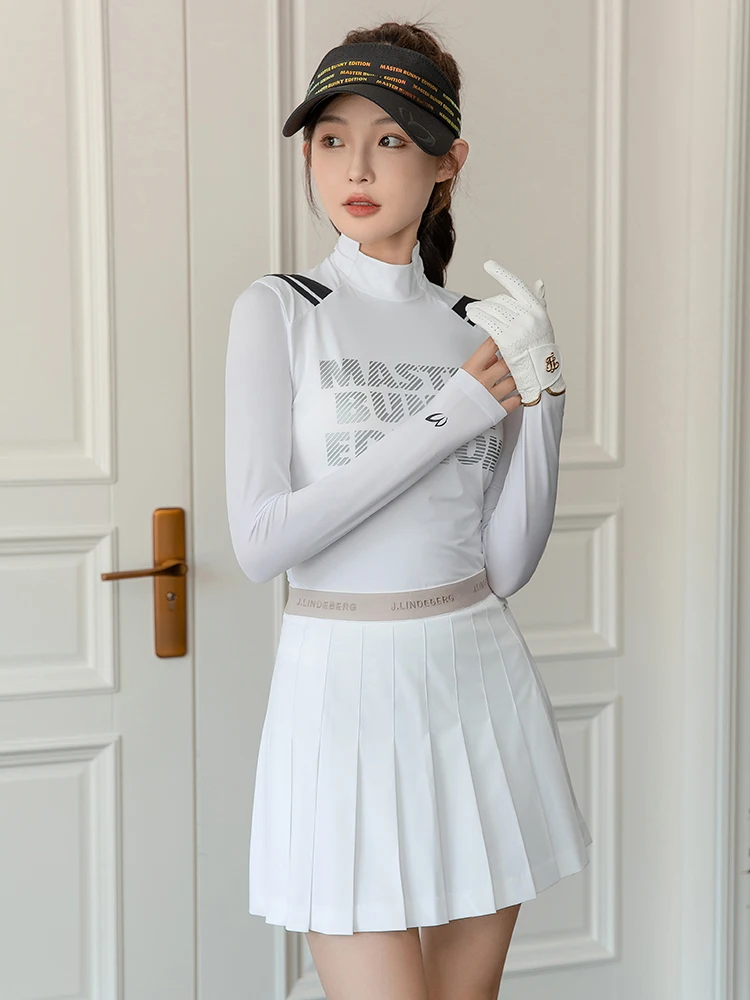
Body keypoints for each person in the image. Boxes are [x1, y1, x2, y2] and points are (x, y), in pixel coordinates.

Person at [225, 19, 592, 1000]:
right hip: (339, 694)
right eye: (331, 138)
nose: (355, 167)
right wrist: (447, 416)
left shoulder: (474, 329)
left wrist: (548, 399)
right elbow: (260, 543)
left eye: (390, 139)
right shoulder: (280, 310)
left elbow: (503, 566)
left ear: (446, 161)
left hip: (477, 684)